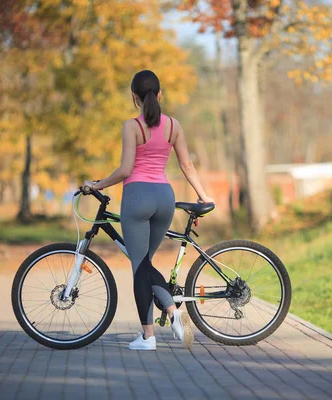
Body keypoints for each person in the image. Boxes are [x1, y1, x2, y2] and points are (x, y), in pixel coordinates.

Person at [83, 70, 214, 351]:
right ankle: (173, 312)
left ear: (134, 97)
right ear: (160, 94)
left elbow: (126, 170)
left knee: (140, 267)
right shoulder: (173, 126)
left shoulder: (132, 126)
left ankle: (149, 336)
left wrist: (98, 185)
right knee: (145, 264)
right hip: (165, 199)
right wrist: (203, 196)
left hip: (137, 198)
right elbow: (187, 165)